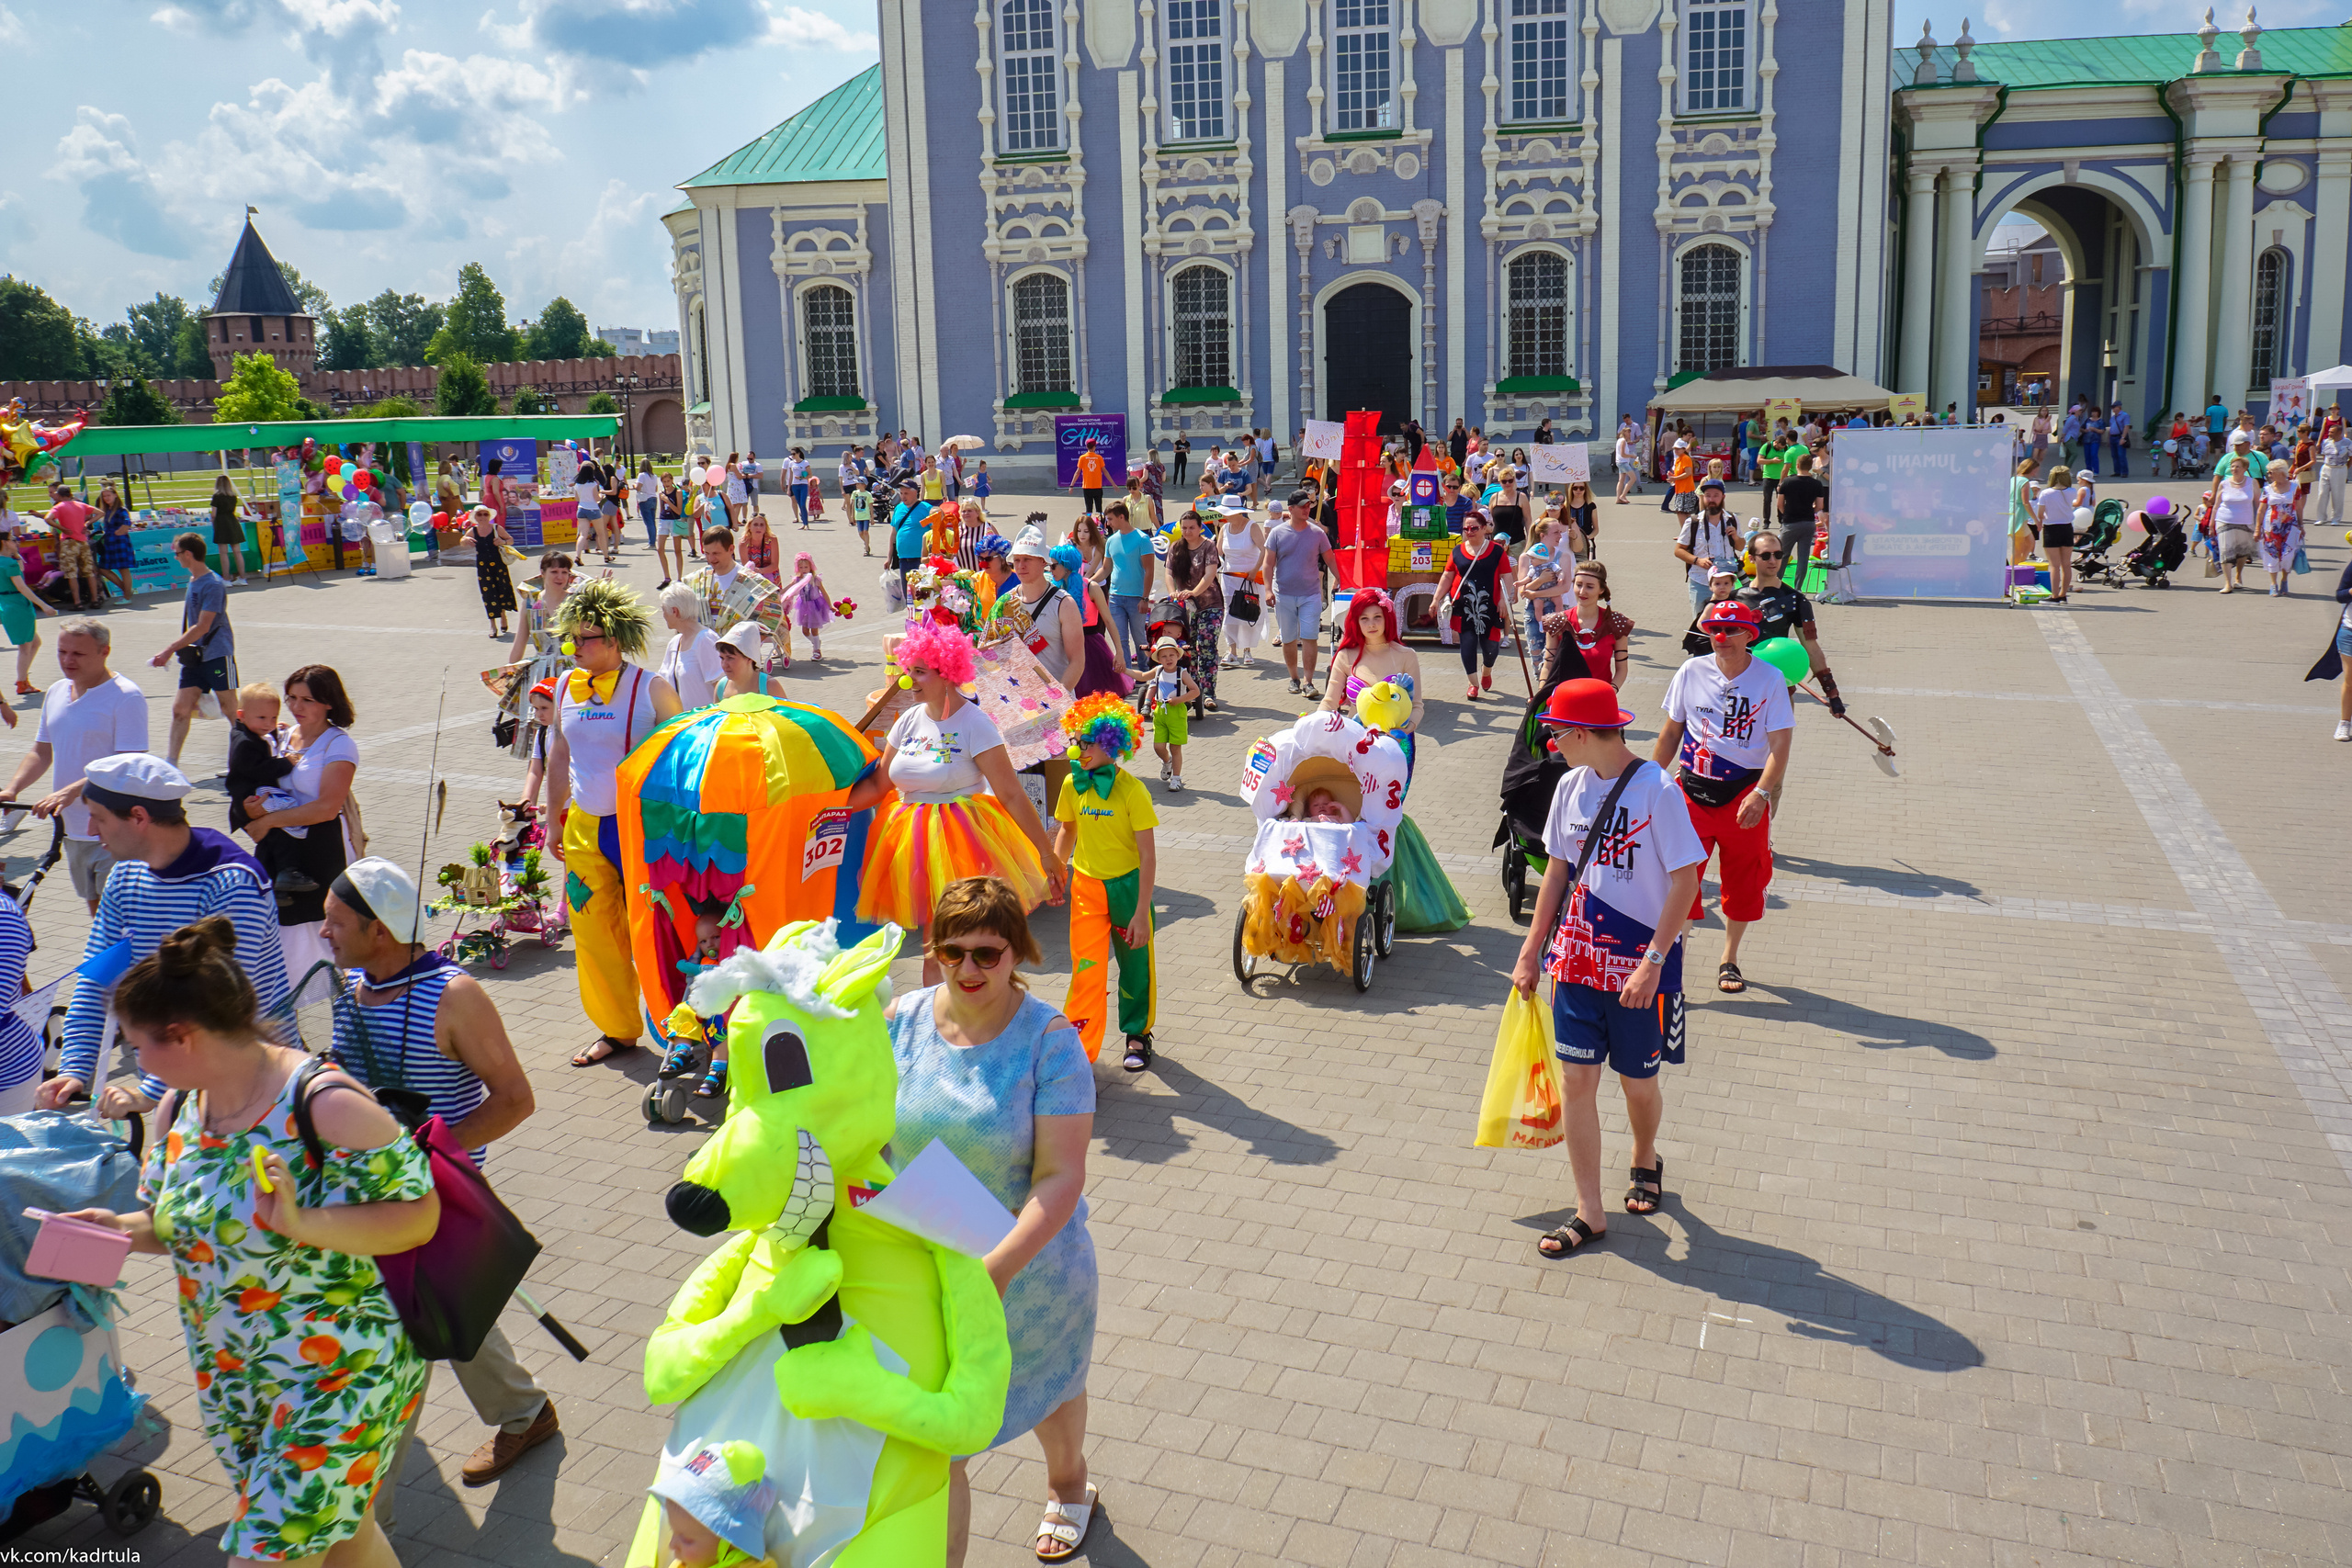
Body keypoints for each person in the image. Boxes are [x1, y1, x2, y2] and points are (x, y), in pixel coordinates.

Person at [62, 918, 435, 1564]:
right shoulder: (179, 1109)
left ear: (182, 1036)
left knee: (265, 1553)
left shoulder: (324, 1102)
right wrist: (121, 1230)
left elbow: (420, 1215)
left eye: (136, 1045)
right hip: (240, 1377)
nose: (132, 1062)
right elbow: (183, 1228)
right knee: (345, 1539)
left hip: (338, 1374)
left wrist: (307, 1223)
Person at [318, 860, 561, 1506]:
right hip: (365, 1191)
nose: (322, 931)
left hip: (432, 1195)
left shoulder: (455, 995)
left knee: (400, 1344)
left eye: (335, 920)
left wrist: (431, 1156)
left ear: (378, 930)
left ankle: (368, 1521)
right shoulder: (351, 982)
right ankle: (526, 1410)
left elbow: (515, 1098)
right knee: (446, 1303)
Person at [885, 876, 1098, 1567]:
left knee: (1050, 1392)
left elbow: (1060, 1175)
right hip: (927, 1271)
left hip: (1030, 1273)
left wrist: (996, 1269)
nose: (969, 968)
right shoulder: (901, 1019)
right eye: (954, 952)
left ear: (1018, 953)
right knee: (938, 1442)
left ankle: (1069, 1484)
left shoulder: (1051, 1041)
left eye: (988, 952)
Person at [1510, 678, 1705, 1257]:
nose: (1551, 745)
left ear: (1581, 732)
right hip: (1576, 960)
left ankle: (1645, 1156)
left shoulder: (1657, 791)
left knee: (1638, 1084)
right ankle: (1589, 1210)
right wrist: (1531, 948)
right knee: (1578, 1081)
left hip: (1639, 968)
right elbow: (1557, 870)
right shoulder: (1569, 786)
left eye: (1555, 734)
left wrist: (1651, 964)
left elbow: (1685, 882)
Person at [39, 753, 293, 1116]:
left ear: (139, 817)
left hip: (251, 1091)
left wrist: (150, 1092)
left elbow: (217, 1010)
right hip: (174, 1084)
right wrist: (73, 1070)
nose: (91, 831)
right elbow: (96, 979)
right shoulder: (125, 877)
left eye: (98, 818)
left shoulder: (233, 883)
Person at [845, 623, 1064, 981]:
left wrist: (1045, 852)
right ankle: (937, 1020)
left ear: (947, 673)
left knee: (953, 943)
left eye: (920, 672)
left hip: (961, 841)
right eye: (907, 671)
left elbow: (1010, 793)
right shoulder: (908, 720)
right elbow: (880, 785)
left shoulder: (975, 724)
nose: (908, 681)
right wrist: (822, 808)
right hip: (909, 841)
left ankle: (976, 1012)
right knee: (935, 948)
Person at [550, 581, 684, 1067]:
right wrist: (550, 820)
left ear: (614, 639)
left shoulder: (651, 688)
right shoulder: (565, 685)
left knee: (654, 927)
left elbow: (682, 761)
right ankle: (618, 1028)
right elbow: (559, 755)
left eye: (584, 638)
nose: (574, 647)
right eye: (572, 639)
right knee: (593, 932)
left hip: (638, 830)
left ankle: (682, 1030)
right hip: (584, 826)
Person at [1652, 600, 1793, 994]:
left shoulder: (1770, 680)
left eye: (1732, 630)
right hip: (1691, 795)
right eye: (1715, 629)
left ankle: (1729, 957)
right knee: (1679, 881)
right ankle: (1671, 959)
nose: (1721, 637)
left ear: (1751, 634)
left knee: (1744, 884)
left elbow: (1780, 747)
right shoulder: (1691, 671)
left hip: (1744, 798)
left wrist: (1762, 794)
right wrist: (1647, 780)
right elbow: (1670, 734)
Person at [4, 617, 144, 913]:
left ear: (104, 651)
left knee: (118, 918)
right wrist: (13, 788)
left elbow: (129, 764)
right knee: (96, 911)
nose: (68, 660)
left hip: (114, 831)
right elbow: (42, 751)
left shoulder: (126, 697)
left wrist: (71, 791)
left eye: (78, 654)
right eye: (61, 652)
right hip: (70, 830)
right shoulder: (56, 692)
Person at [1051, 695, 1159, 1070]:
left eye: (1086, 742)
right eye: (1075, 740)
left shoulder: (1133, 791)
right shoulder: (1071, 783)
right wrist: (1054, 871)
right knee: (1086, 969)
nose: (1076, 748)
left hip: (1128, 889)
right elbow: (1067, 831)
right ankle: (1078, 1048)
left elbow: (1148, 855)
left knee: (1134, 966)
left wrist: (1142, 911)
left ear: (1112, 744)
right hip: (1085, 887)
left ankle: (1137, 1036)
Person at [242, 664, 362, 985]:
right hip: (280, 853)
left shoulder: (339, 745)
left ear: (328, 702)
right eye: (291, 698)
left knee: (323, 936)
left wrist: (268, 821)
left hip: (322, 850)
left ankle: (337, 1010)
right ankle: (287, 1014)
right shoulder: (279, 735)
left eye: (306, 700)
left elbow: (327, 807)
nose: (296, 707)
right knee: (281, 937)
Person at [150, 531, 232, 768]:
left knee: (230, 710)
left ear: (188, 554)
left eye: (177, 554)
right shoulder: (194, 581)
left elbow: (203, 626)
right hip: (196, 657)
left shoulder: (213, 584)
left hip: (217, 653)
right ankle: (171, 765)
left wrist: (168, 650)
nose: (175, 558)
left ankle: (244, 761)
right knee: (180, 709)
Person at [1739, 534, 1846, 717]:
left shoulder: (1796, 600)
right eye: (1765, 556)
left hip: (1779, 691)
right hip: (1740, 690)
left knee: (1778, 745)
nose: (1773, 560)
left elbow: (1812, 648)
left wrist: (1832, 693)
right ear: (1751, 558)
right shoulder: (1735, 599)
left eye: (1778, 555)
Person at [1266, 489, 1340, 698]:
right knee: (1289, 639)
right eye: (1303, 506)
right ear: (1291, 509)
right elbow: (1268, 563)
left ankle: (1308, 682)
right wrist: (1268, 589)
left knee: (1310, 637)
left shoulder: (1317, 533)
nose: (1307, 508)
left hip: (1310, 595)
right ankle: (1294, 678)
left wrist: (1340, 578)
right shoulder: (1277, 533)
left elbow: (1330, 558)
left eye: (1309, 505)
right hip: (1284, 595)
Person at [1437, 511, 1515, 702]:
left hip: (1491, 607)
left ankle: (1486, 671)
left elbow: (1507, 576)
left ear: (1484, 528)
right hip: (1464, 608)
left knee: (1491, 648)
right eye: (1466, 528)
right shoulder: (1457, 551)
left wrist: (1504, 600)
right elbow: (1447, 575)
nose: (1469, 532)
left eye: (1474, 528)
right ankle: (1473, 684)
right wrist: (1436, 598)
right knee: (1468, 645)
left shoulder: (1497, 551)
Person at [683, 525, 786, 651]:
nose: (710, 559)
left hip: (738, 655)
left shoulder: (752, 581)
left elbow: (773, 616)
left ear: (731, 549)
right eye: (707, 553)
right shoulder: (697, 579)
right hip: (703, 652)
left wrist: (748, 643)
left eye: (716, 553)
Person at [1164, 512, 1223, 711]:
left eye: (1192, 527)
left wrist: (1193, 593)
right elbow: (1169, 573)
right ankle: (1191, 693)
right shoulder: (1175, 547)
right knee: (1188, 650)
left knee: (1206, 647)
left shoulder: (1209, 546)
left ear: (1200, 528)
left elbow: (1209, 575)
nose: (1188, 531)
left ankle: (1208, 693)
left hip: (1210, 605)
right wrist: (1173, 593)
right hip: (1185, 608)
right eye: (1185, 527)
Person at [1546, 561, 1634, 690]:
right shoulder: (1557, 622)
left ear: (1601, 589)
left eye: (1590, 586)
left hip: (1599, 699)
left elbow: (1622, 670)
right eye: (1579, 585)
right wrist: (1540, 695)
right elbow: (1548, 666)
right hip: (1564, 699)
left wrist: (1610, 691)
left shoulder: (1616, 624)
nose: (1582, 591)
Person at [1102, 501, 1157, 668]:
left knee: (1139, 637)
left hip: (1137, 597)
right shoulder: (1111, 541)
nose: (1108, 523)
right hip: (1115, 598)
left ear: (1121, 517)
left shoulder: (1142, 539)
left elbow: (1149, 570)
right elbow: (1105, 569)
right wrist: (1087, 581)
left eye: (1110, 519)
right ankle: (1127, 675)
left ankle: (1144, 670)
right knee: (1120, 638)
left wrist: (1145, 598)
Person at [1672, 479, 1738, 616]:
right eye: (1708, 495)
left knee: (1727, 622)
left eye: (1716, 495)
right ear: (1703, 497)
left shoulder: (1732, 519)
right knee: (1701, 624)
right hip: (1701, 581)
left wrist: (1736, 537)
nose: (1711, 499)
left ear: (1723, 497)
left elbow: (1740, 546)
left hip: (1727, 583)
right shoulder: (1693, 522)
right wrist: (1698, 561)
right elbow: (1678, 550)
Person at [0, 529, 53, 695]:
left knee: (34, 642)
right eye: (13, 539)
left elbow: (21, 569)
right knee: (25, 647)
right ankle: (22, 682)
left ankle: (22, 677)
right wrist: (44, 605)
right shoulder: (9, 564)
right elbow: (22, 587)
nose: (17, 542)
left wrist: (15, 555)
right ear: (4, 542)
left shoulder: (8, 561)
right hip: (18, 604)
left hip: (7, 603)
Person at [658, 582, 727, 706]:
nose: (663, 615)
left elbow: (722, 686)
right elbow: (661, 682)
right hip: (683, 723)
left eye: (664, 610)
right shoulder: (674, 643)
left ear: (675, 611)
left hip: (705, 722)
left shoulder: (705, 640)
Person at [1216, 505, 1267, 667]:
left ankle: (1247, 650)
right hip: (1229, 578)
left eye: (1226, 513)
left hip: (1250, 579)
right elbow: (1217, 552)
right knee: (1230, 613)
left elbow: (1264, 550)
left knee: (1247, 613)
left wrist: (1255, 569)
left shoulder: (1252, 526)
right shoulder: (1224, 528)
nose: (1224, 516)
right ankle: (1232, 651)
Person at [468, 504, 520, 639]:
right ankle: (493, 625)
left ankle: (503, 616)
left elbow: (511, 540)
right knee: (488, 595)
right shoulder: (473, 531)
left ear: (489, 516)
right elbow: (462, 541)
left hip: (498, 566)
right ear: (475, 517)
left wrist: (502, 541)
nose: (483, 517)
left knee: (501, 591)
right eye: (480, 515)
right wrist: (465, 539)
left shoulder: (496, 528)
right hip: (483, 567)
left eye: (485, 514)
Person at [44, 481, 96, 609]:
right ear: (70, 494)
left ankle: (77, 602)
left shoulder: (59, 506)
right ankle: (95, 599)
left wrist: (60, 527)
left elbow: (47, 518)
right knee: (89, 572)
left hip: (68, 541)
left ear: (59, 494)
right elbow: (100, 512)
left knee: (71, 573)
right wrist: (87, 524)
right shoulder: (80, 504)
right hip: (82, 541)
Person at [1772, 453, 1828, 568]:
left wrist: (1786, 513)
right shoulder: (1817, 484)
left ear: (1797, 465)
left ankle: (1778, 583)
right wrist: (1809, 511)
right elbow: (1819, 506)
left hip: (1790, 521)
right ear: (1811, 466)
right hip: (1808, 522)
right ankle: (1799, 585)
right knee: (1803, 556)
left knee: (1783, 555)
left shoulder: (1787, 482)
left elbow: (1779, 504)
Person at [776, 550, 834, 662]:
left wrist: (830, 605)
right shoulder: (797, 579)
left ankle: (817, 651)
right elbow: (789, 589)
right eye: (801, 567)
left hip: (815, 606)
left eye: (806, 567)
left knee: (814, 630)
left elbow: (824, 592)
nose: (804, 569)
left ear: (810, 567)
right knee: (805, 631)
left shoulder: (815, 579)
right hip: (803, 606)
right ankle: (815, 642)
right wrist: (780, 593)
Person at [2258, 457, 2303, 597]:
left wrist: (2302, 525)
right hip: (2271, 527)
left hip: (2290, 526)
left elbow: (2300, 508)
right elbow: (2261, 510)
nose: (2269, 475)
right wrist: (2257, 528)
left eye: (2271, 472)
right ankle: (2273, 584)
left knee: (2287, 555)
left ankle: (2284, 579)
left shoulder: (2295, 487)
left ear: (2280, 472)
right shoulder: (2267, 489)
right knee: (2272, 554)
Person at [738, 505, 780, 586]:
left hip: (772, 576)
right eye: (755, 524)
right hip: (752, 578)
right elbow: (746, 567)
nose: (758, 528)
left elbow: (775, 565)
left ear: (765, 527)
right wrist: (756, 572)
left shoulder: (772, 540)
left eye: (762, 525)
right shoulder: (743, 543)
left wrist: (760, 571)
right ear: (749, 526)